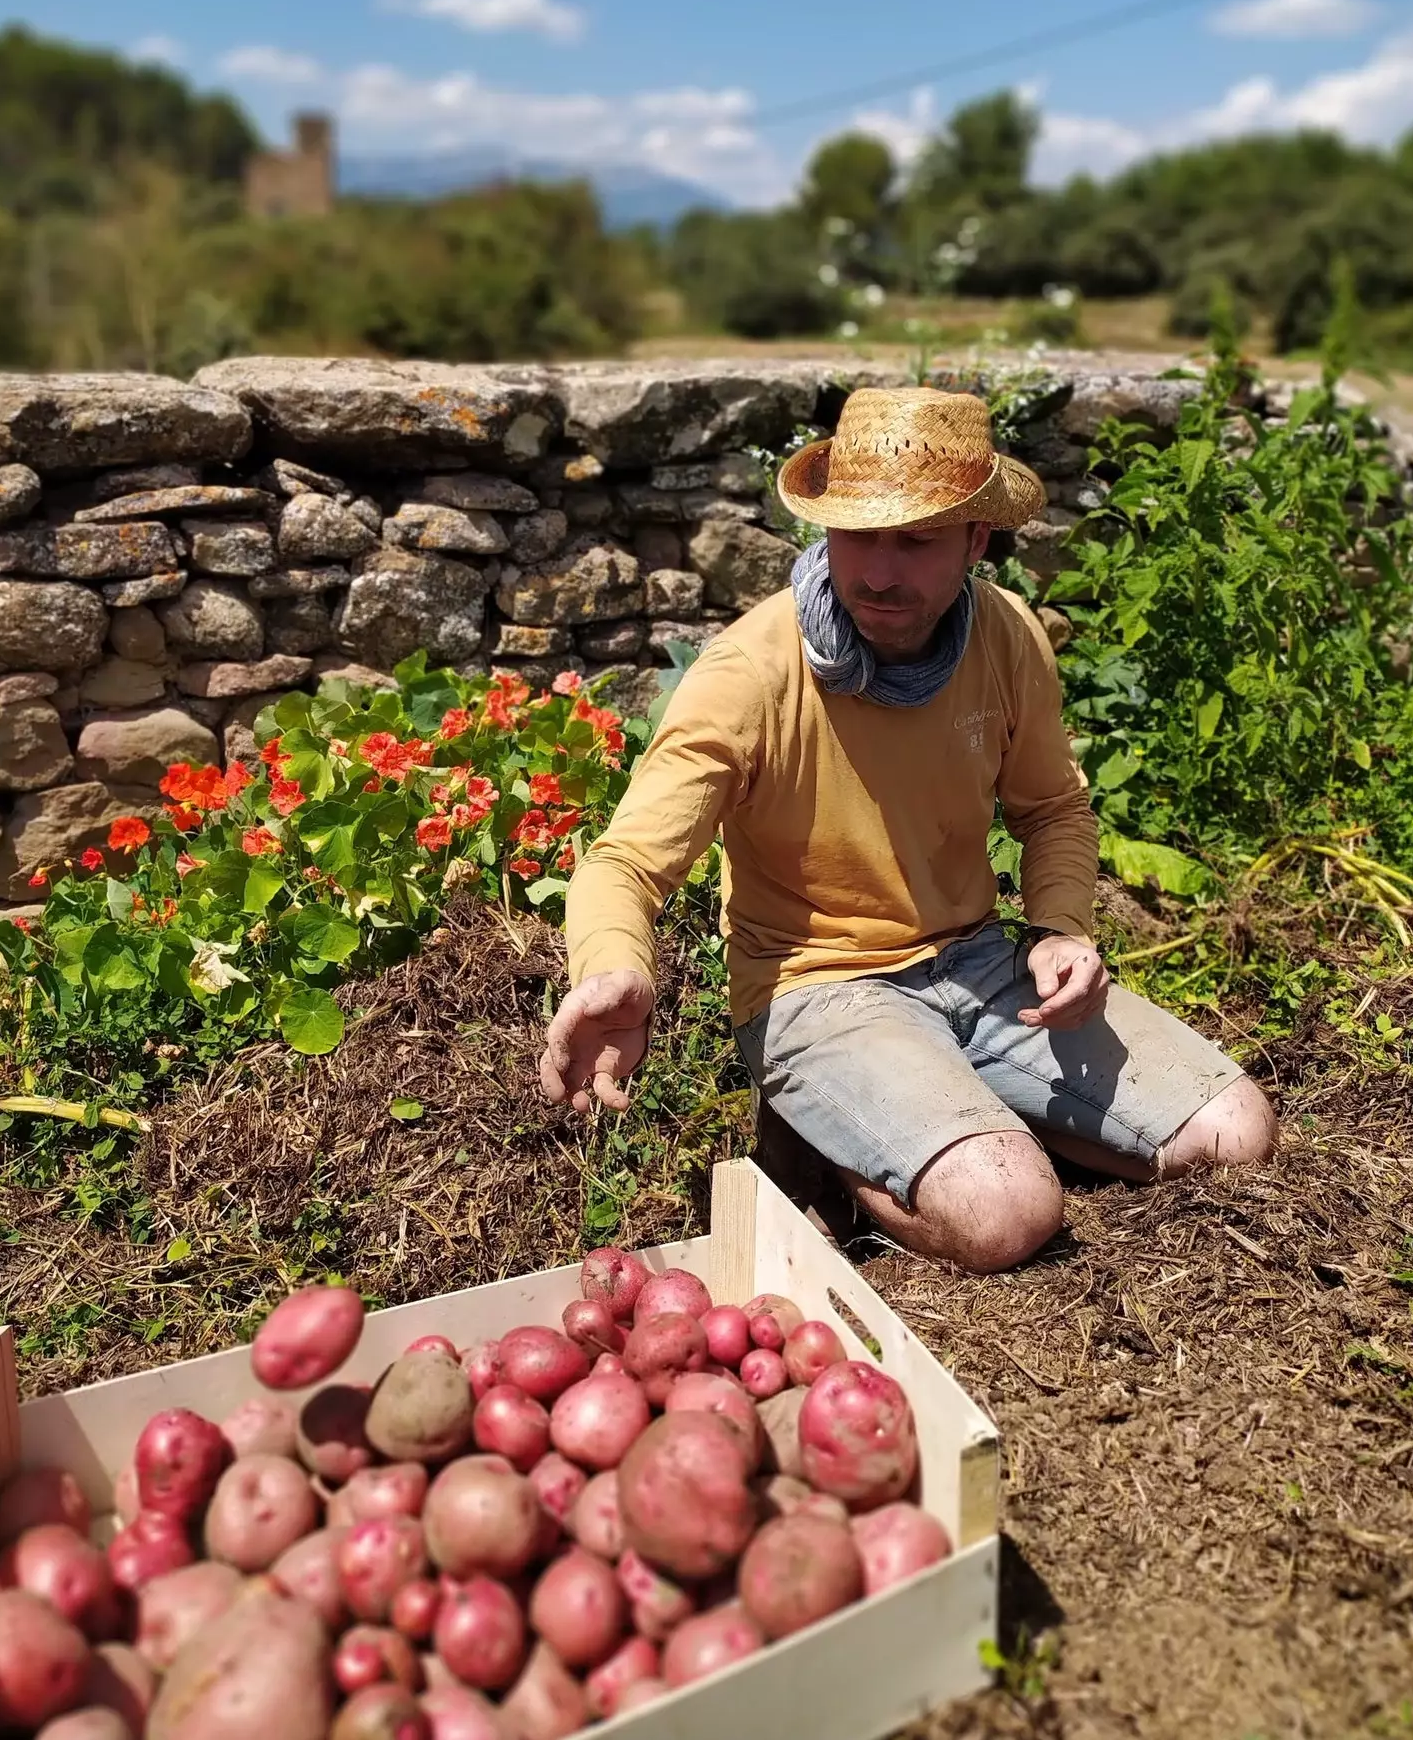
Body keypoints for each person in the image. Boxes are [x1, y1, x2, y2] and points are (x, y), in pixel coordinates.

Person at [541, 386, 1276, 1271]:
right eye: (858, 535)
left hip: (980, 964)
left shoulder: (1005, 638)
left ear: (976, 539)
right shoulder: (751, 673)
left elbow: (1053, 808)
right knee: (1009, 1213)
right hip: (817, 986)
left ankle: (930, 1118)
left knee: (1238, 1133)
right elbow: (624, 862)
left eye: (916, 539)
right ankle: (831, 1150)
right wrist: (615, 967)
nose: (880, 572)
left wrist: (1061, 927)